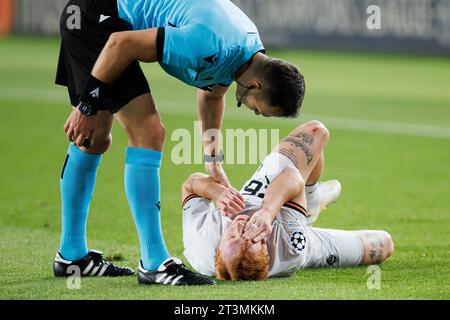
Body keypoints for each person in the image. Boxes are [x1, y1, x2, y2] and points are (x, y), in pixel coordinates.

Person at [53, 0, 305, 285]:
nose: (256, 112)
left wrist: (213, 162)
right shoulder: (208, 43)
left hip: (102, 19)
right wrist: (87, 105)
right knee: (149, 132)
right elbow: (120, 44)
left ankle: (71, 255)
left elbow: (211, 95)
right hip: (96, 20)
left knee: (94, 137)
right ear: (256, 86)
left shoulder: (245, 53)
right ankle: (154, 262)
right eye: (261, 110)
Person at [181, 120, 394, 280]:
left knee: (315, 133)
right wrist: (268, 212)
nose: (243, 228)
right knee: (384, 244)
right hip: (292, 229)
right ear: (265, 247)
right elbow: (292, 177)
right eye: (252, 239)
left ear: (218, 249)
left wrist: (215, 192)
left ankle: (310, 202)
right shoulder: (291, 248)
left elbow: (190, 184)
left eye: (234, 238)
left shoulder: (201, 239)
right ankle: (308, 205)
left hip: (257, 198)